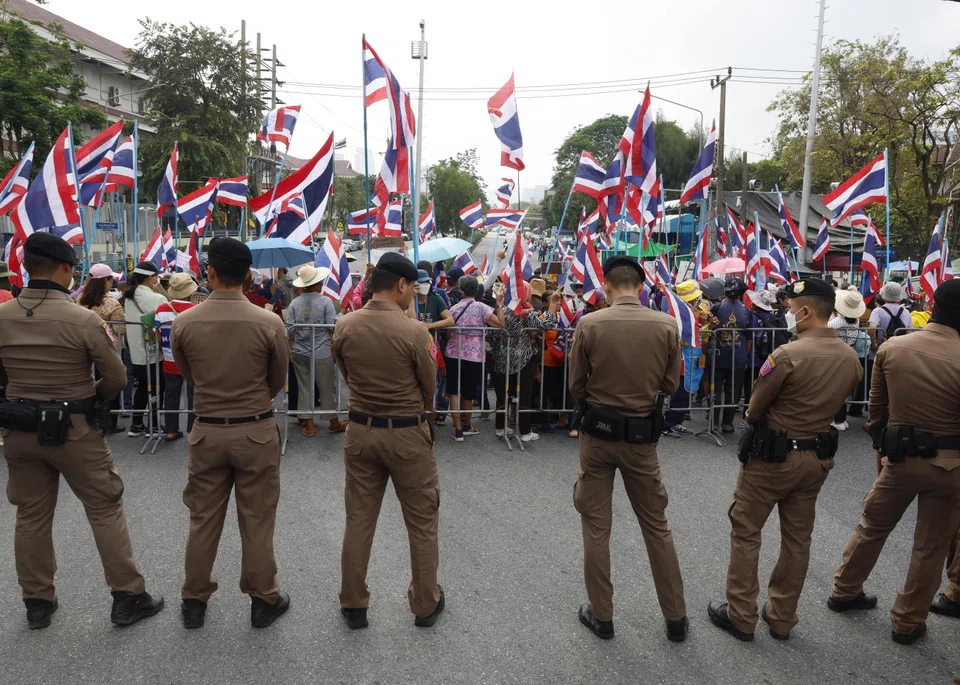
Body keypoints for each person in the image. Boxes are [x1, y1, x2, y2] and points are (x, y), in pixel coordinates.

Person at [0, 233, 163, 629]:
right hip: (74, 426)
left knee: (31, 514)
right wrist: (89, 396)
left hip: (19, 428)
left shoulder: (2, 316)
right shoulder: (83, 318)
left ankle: (37, 602)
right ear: (63, 268)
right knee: (105, 507)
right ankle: (127, 596)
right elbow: (117, 378)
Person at [708, 278, 862, 642]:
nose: (787, 314)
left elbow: (753, 410)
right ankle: (782, 617)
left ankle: (741, 615)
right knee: (798, 539)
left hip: (772, 458)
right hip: (816, 458)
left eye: (791, 309)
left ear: (806, 311)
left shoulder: (787, 355)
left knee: (746, 531)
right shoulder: (850, 358)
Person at [828, 279, 960, 646]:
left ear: (933, 304)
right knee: (931, 546)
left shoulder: (894, 348)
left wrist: (883, 449)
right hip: (950, 466)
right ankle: (906, 622)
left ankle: (844, 590)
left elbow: (876, 413)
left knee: (871, 527)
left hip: (898, 458)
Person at [170, 237, 290, 630]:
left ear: (211, 272)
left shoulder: (184, 322)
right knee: (257, 519)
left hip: (207, 428)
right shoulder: (269, 322)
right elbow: (276, 380)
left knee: (203, 519)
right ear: (248, 276)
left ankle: (194, 600)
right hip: (254, 427)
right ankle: (262, 599)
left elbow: (190, 376)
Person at [568, 256, 688, 642]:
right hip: (641, 439)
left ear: (606, 286)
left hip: (598, 437)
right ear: (641, 286)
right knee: (657, 527)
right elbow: (671, 385)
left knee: (596, 528)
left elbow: (576, 385)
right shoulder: (667, 325)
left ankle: (602, 616)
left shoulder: (589, 324)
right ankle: (676, 619)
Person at [332, 252, 444, 630]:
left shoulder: (344, 325)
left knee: (359, 520)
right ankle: (425, 603)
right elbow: (430, 385)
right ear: (400, 285)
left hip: (362, 430)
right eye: (412, 286)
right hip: (407, 434)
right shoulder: (415, 331)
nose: (414, 293)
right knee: (422, 523)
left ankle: (353, 604)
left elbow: (346, 372)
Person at [490, 281, 559, 442]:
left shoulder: (503, 312)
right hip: (525, 358)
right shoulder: (527, 313)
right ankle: (525, 431)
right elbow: (548, 324)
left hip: (503, 357)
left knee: (502, 394)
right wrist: (553, 304)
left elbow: (493, 336)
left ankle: (500, 428)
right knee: (524, 395)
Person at [286, 264, 345, 436]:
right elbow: (331, 326)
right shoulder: (325, 301)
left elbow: (290, 328)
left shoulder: (295, 303)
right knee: (326, 386)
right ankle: (333, 422)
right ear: (318, 283)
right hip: (321, 350)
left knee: (304, 387)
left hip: (299, 350)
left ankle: (309, 425)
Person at [443, 275, 504, 441]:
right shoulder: (483, 308)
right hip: (474, 356)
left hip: (454, 354)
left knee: (454, 392)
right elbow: (500, 324)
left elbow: (448, 333)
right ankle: (467, 425)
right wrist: (498, 304)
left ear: (461, 291)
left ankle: (458, 430)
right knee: (468, 393)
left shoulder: (454, 309)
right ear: (476, 290)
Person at [121, 261, 168, 437]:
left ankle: (137, 424)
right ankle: (154, 426)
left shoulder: (129, 297)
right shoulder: (157, 298)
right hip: (154, 350)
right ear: (150, 278)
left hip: (135, 351)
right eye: (156, 275)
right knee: (158, 386)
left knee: (142, 386)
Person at [78, 263, 126, 433]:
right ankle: (109, 420)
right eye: (110, 278)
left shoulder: (80, 300)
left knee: (88, 382)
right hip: (108, 348)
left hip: (83, 347)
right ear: (105, 280)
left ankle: (90, 417)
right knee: (110, 383)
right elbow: (122, 328)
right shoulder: (112, 303)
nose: (112, 281)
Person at [661, 281, 708, 439]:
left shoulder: (689, 312)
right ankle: (668, 425)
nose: (697, 301)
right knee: (680, 392)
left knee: (686, 393)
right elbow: (684, 338)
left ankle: (677, 421)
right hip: (682, 360)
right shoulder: (679, 313)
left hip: (691, 357)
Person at [156, 273, 199, 442]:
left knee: (171, 395)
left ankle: (171, 430)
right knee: (194, 395)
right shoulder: (196, 309)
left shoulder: (161, 309)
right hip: (192, 360)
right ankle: (194, 429)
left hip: (169, 357)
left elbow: (157, 334)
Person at [712, 278, 752, 434]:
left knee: (716, 390)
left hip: (718, 354)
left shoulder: (716, 307)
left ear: (725, 292)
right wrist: (745, 357)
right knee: (733, 391)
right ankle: (727, 424)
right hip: (739, 356)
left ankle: (714, 423)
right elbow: (749, 340)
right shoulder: (747, 311)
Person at [828, 287, 868, 431]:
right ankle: (841, 419)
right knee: (844, 389)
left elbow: (824, 330)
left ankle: (838, 420)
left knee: (836, 389)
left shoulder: (837, 322)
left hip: (836, 355)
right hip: (850, 353)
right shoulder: (856, 320)